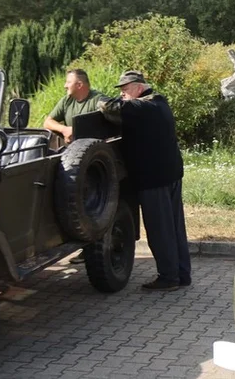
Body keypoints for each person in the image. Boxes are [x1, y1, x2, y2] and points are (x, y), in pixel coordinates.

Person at [100, 70, 191, 292]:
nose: (122, 94)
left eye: (125, 89)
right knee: (175, 227)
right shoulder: (160, 103)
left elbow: (108, 106)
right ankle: (182, 273)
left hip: (154, 178)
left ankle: (169, 277)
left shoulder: (142, 107)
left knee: (160, 229)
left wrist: (101, 99)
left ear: (140, 87)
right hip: (170, 174)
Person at [44, 69, 106, 144]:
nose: (65, 86)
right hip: (72, 150)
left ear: (79, 85)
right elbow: (47, 122)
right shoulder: (66, 101)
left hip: (94, 150)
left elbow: (102, 128)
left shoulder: (98, 100)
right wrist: (64, 129)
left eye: (68, 82)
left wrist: (76, 132)